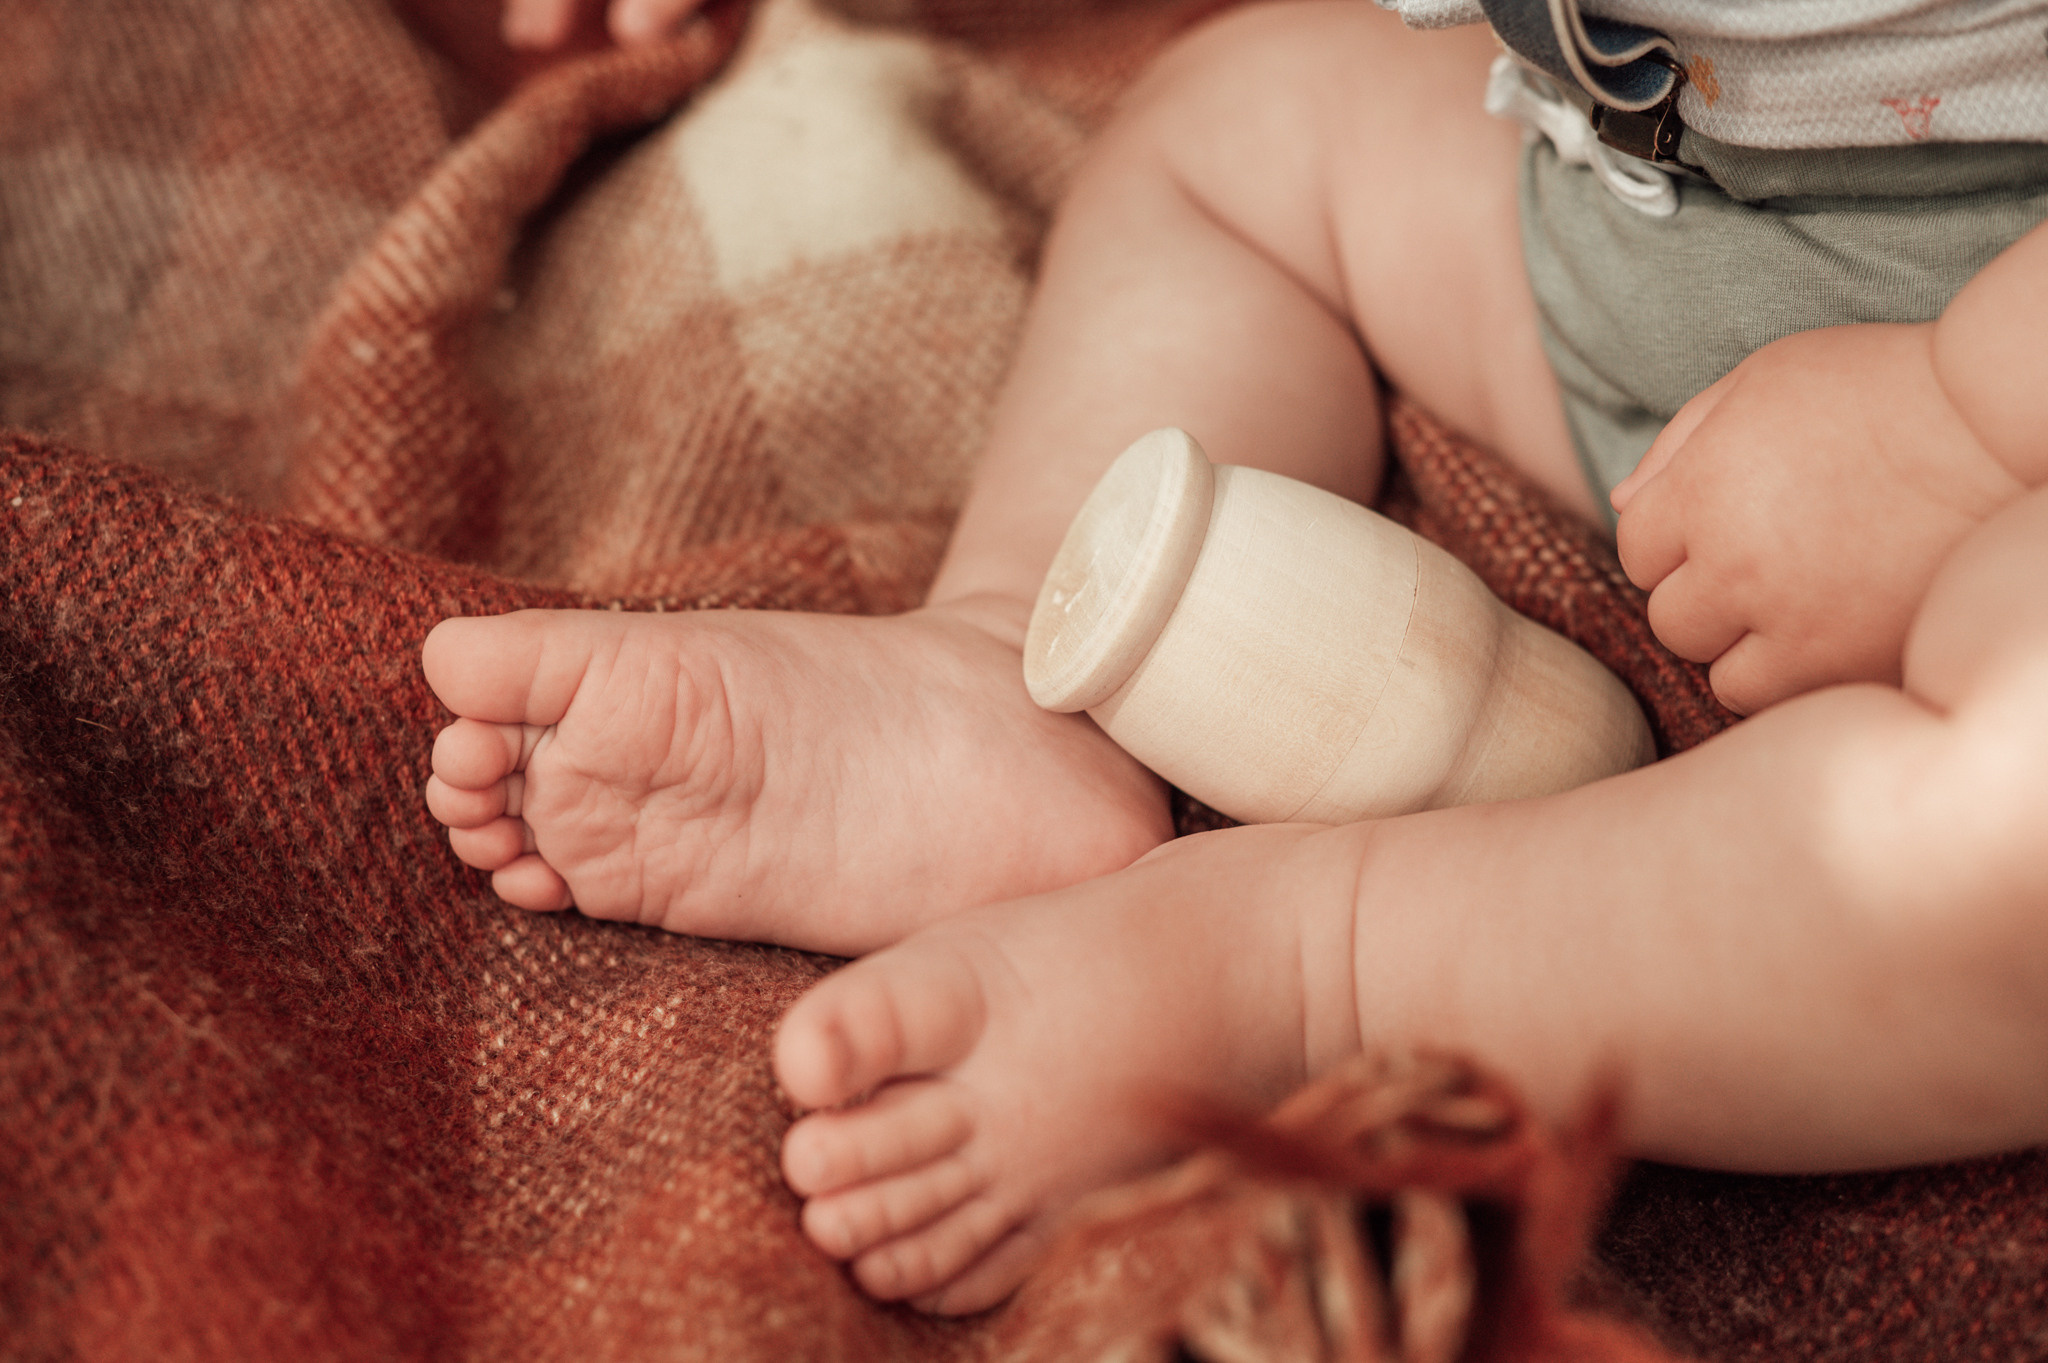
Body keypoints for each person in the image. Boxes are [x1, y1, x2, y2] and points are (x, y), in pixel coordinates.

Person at [424, 0, 2048, 1315]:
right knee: (1243, 126)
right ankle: (1019, 661)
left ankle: (1313, 967)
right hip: (1671, 230)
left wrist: (1958, 423)